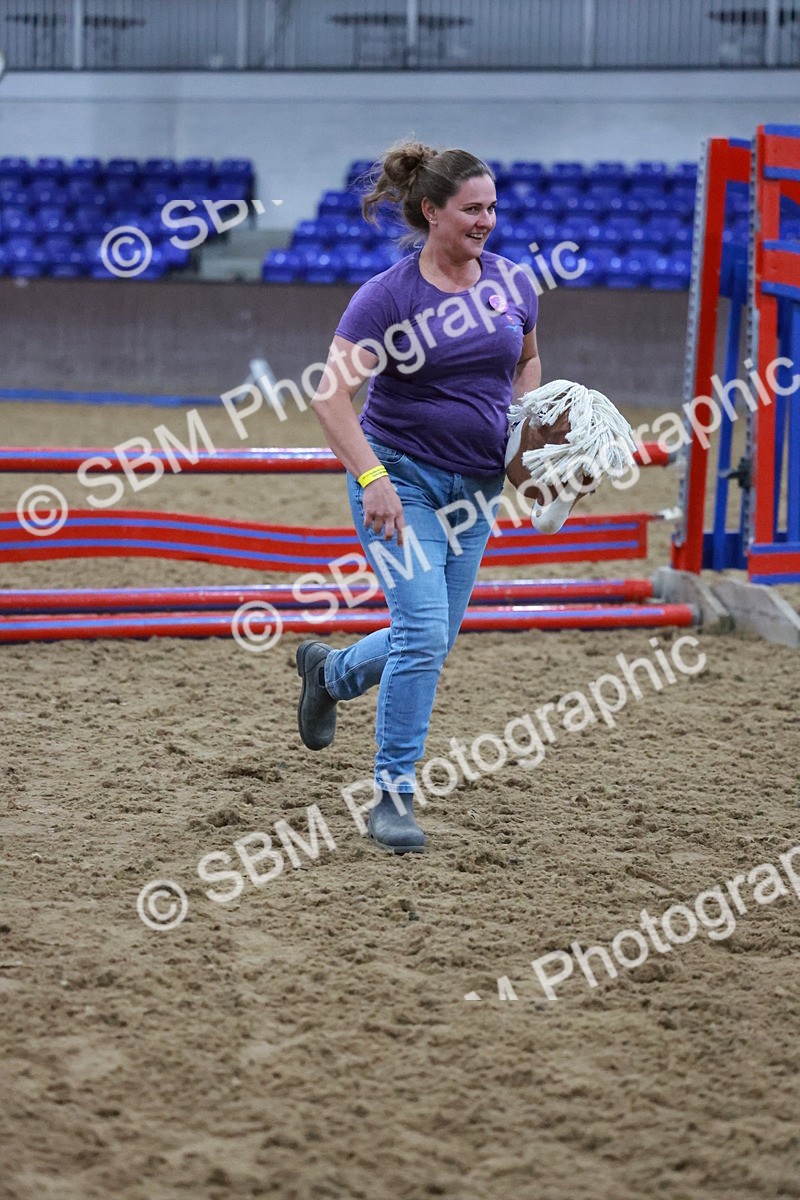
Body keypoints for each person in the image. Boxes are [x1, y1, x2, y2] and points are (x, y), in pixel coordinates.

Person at [295, 140, 541, 854]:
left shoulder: (514, 285)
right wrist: (372, 479)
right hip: (400, 485)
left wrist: (529, 455)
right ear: (432, 211)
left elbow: (525, 366)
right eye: (472, 209)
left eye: (492, 208)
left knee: (430, 639)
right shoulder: (388, 297)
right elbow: (330, 395)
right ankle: (392, 796)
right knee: (425, 635)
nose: (487, 221)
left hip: (478, 487)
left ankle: (330, 673)